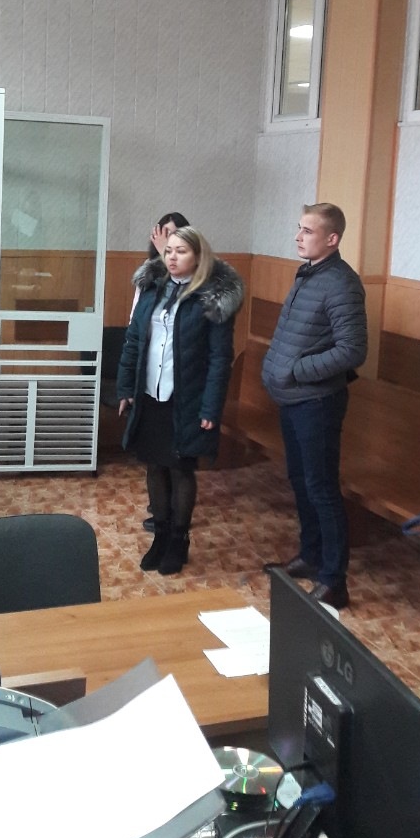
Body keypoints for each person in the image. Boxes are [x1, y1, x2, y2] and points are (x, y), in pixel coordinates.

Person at [117, 226, 244, 576]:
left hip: (186, 398)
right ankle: (159, 535)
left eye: (181, 251)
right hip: (150, 393)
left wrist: (211, 407)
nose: (172, 257)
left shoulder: (211, 299)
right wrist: (125, 388)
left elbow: (220, 358)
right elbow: (133, 341)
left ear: (198, 257)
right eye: (168, 250)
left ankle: (178, 539)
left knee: (180, 468)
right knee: (154, 465)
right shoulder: (152, 289)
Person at [262, 203, 367, 610]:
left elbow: (352, 350)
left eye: (307, 231)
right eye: (299, 228)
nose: (298, 236)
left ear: (332, 239)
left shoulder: (341, 283)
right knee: (301, 480)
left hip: (317, 402)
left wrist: (297, 371)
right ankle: (311, 555)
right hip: (293, 399)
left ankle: (334, 580)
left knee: (321, 488)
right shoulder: (308, 273)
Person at [132, 211, 190, 531]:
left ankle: (177, 525)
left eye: (173, 237)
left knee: (177, 461)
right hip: (150, 378)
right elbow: (135, 323)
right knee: (154, 457)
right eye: (162, 235)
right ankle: (160, 511)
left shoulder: (194, 280)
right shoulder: (147, 276)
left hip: (178, 383)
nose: (166, 243)